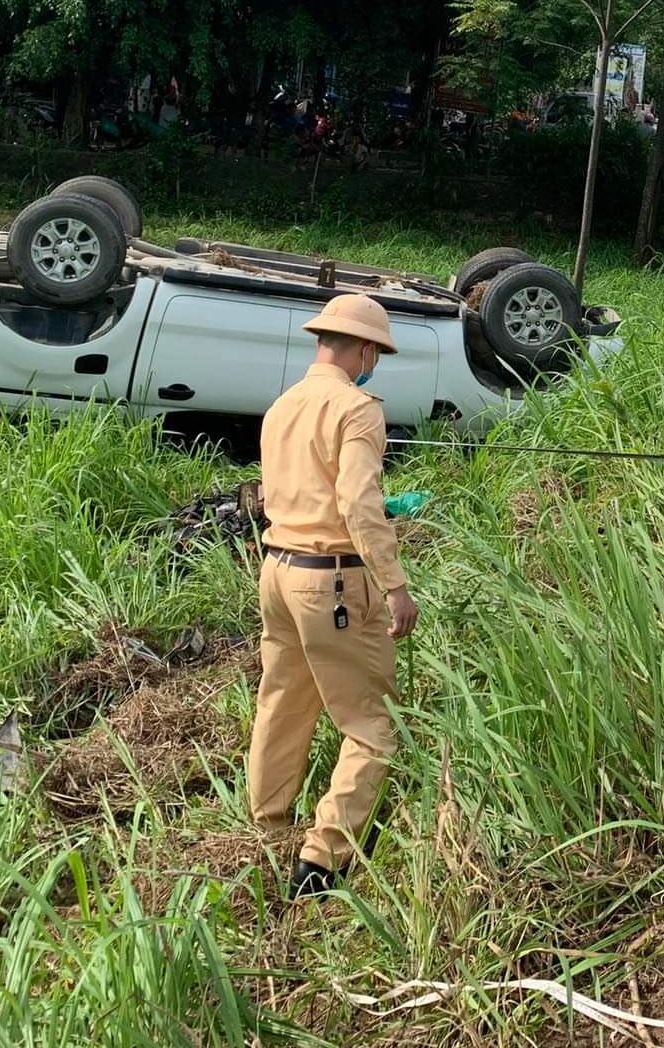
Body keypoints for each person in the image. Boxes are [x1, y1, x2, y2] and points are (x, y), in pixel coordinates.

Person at [248, 293, 419, 898]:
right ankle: (323, 859)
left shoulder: (281, 405)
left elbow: (282, 496)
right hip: (334, 582)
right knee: (373, 724)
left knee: (283, 701)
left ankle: (266, 829)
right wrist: (395, 585)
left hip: (276, 571)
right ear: (367, 350)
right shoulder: (358, 408)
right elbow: (355, 502)